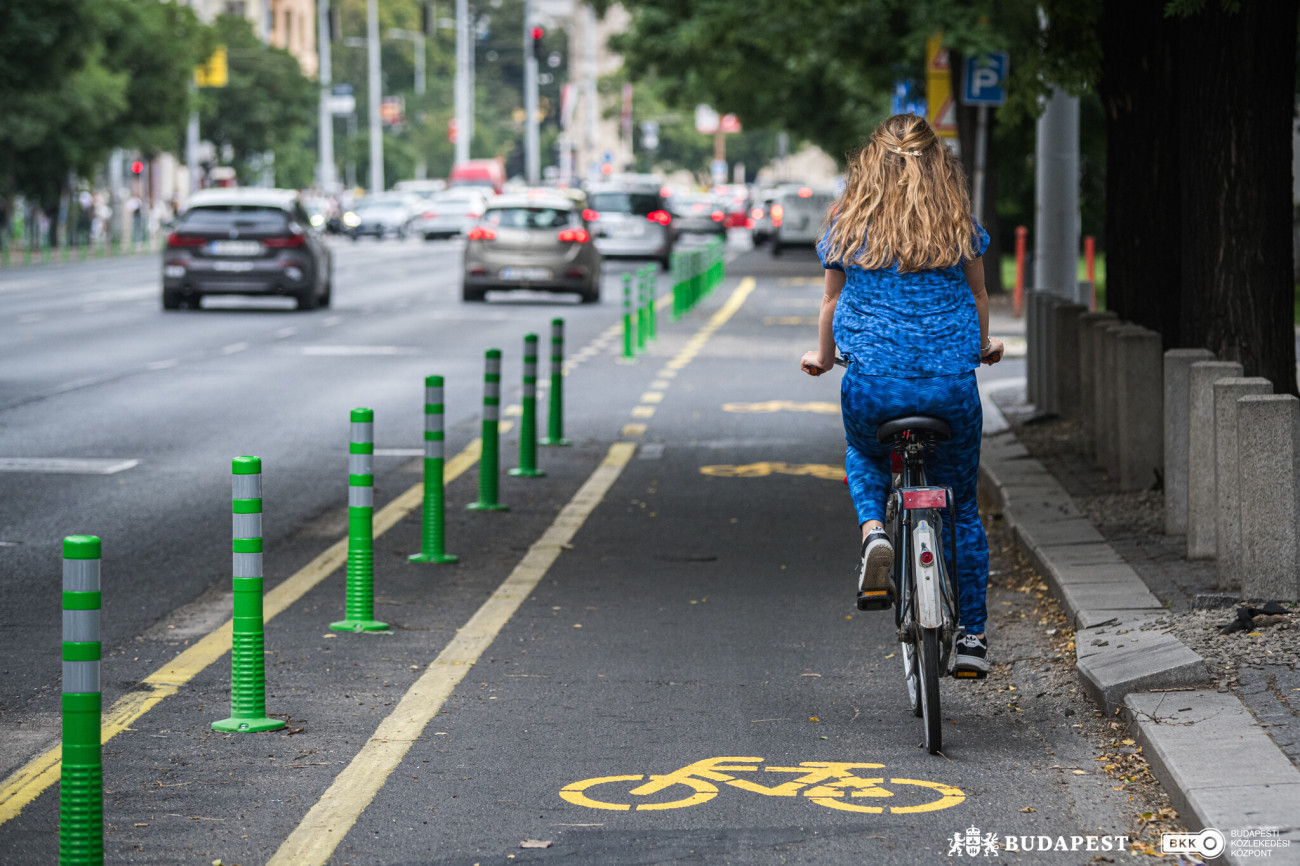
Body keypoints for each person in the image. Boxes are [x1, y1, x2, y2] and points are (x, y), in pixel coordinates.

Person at [800, 113, 1004, 674]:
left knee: (865, 453)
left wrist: (822, 358)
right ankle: (973, 640)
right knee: (960, 506)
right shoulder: (958, 223)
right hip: (950, 388)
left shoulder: (847, 224)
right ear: (939, 165)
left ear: (871, 164)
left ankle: (873, 533)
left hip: (874, 387)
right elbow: (979, 294)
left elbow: (830, 303)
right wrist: (982, 346)